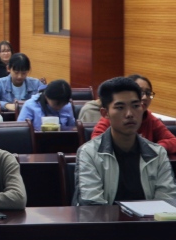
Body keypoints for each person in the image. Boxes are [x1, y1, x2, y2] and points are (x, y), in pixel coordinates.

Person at [75, 77, 176, 205]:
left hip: (149, 219)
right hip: (105, 218)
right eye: (120, 107)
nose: (129, 114)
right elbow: (93, 207)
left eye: (135, 106)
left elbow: (166, 204)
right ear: (105, 113)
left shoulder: (158, 154)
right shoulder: (89, 153)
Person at [91, 74, 176, 154]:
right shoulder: (112, 118)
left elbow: (173, 141)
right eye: (140, 93)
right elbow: (96, 143)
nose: (144, 97)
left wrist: (152, 148)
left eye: (148, 93)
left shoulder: (150, 118)